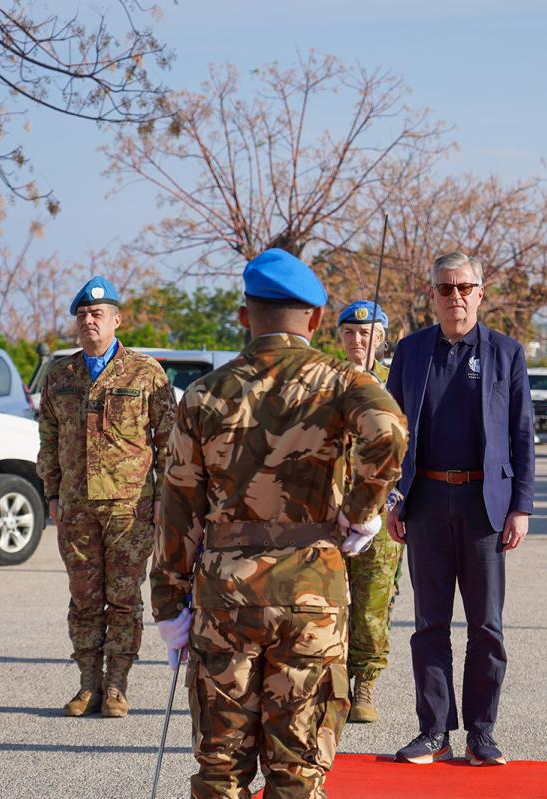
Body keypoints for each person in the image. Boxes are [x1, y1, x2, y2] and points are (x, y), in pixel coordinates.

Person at [149, 249, 407, 798]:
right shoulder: (341, 382)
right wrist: (361, 513)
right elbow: (388, 431)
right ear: (314, 319)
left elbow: (176, 505)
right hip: (311, 590)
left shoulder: (204, 394)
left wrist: (169, 605)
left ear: (245, 314)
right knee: (298, 770)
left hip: (225, 595)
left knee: (221, 769)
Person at [385, 251, 535, 766]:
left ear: (480, 292)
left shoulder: (505, 353)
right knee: (429, 624)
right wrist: (391, 497)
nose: (456, 297)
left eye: (465, 288)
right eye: (446, 289)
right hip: (424, 501)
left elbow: (522, 435)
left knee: (486, 627)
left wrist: (522, 507)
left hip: (484, 506)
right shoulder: (410, 352)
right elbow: (390, 434)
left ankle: (481, 732)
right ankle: (433, 731)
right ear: (432, 295)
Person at [37, 276, 176, 718]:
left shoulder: (145, 373)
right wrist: (52, 492)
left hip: (129, 506)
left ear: (117, 320)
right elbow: (48, 438)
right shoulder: (60, 375)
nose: (88, 322)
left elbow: (169, 438)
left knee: (123, 597)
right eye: (81, 315)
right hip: (76, 507)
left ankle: (116, 686)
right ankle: (87, 685)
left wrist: (163, 496)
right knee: (83, 597)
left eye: (97, 315)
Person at [335, 299, 404, 724]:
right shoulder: (329, 382)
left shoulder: (397, 382)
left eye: (366, 333)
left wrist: (398, 496)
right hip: (334, 510)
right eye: (350, 333)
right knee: (332, 600)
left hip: (382, 509)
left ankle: (366, 685)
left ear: (380, 337)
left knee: (374, 601)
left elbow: (411, 442)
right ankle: (335, 682)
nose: (358, 340)